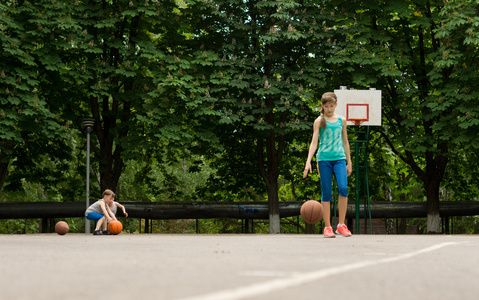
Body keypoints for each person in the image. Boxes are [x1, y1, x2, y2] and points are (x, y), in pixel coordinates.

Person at [303, 92, 353, 238]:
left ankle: (341, 225)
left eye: (332, 106)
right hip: (323, 160)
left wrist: (349, 162)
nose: (329, 109)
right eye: (326, 106)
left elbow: (345, 141)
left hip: (339, 159)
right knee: (326, 192)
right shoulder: (319, 121)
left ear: (336, 105)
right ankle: (327, 227)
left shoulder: (341, 120)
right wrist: (308, 161)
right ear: (322, 106)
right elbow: (314, 142)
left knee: (343, 188)